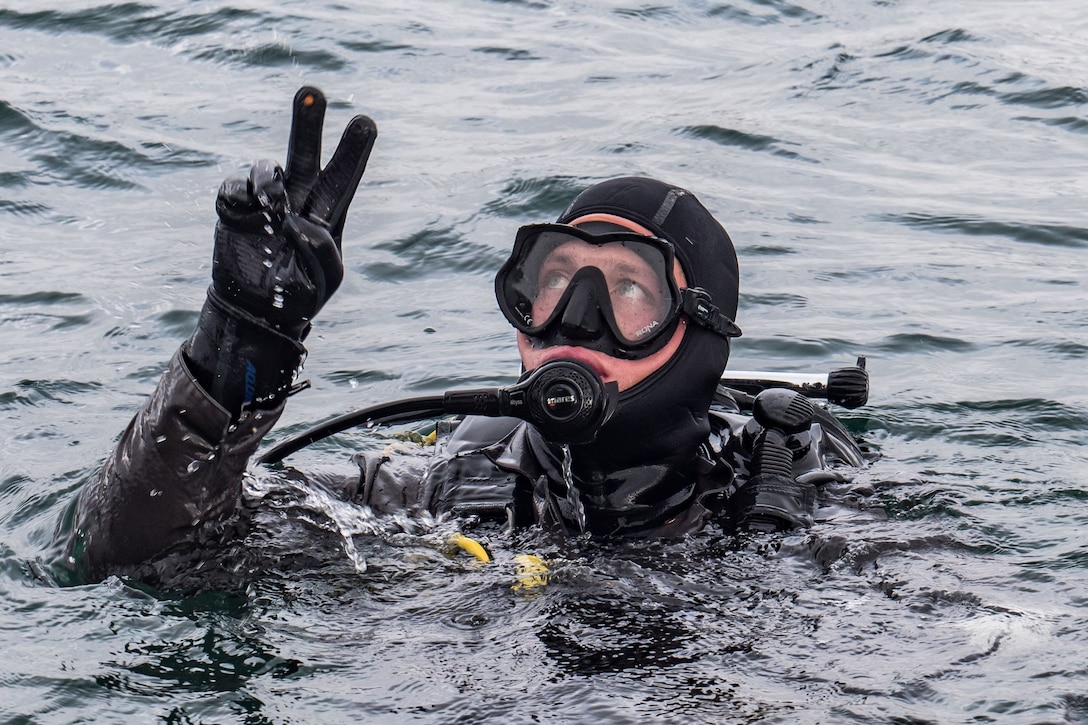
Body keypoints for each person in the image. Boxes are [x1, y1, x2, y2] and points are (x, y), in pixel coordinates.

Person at [62, 87, 868, 584]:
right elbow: (136, 558)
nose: (574, 318)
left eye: (629, 290)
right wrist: (236, 351)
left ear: (697, 333)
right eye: (552, 279)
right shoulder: (432, 490)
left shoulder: (795, 496)